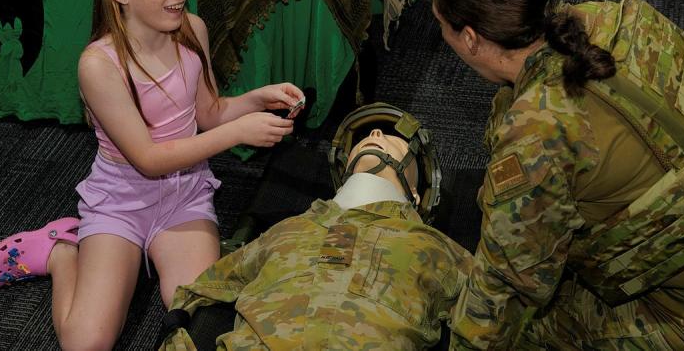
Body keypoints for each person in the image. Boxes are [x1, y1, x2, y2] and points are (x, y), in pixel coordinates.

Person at [0, 0, 303, 350]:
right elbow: (149, 158)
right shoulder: (98, 65)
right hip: (121, 202)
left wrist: (255, 100)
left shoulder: (193, 31)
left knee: (199, 319)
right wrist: (239, 133)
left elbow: (209, 113)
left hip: (184, 197)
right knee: (85, 344)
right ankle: (62, 254)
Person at [430, 0, 684, 350]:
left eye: (441, 25)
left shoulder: (537, 135)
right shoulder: (611, 18)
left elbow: (507, 286)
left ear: (471, 38)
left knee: (518, 323)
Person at [158, 102, 473, 350]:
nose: (376, 135)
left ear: (416, 196)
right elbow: (197, 290)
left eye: (392, 140)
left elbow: (497, 309)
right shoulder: (288, 230)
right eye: (367, 137)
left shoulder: (430, 244)